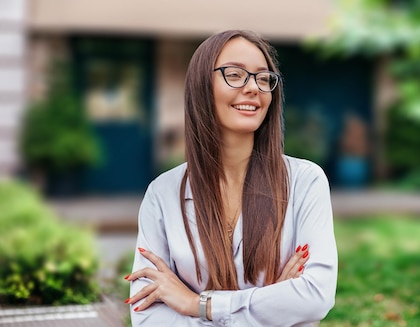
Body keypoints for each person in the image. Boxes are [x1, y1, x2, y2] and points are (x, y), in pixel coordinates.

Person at [123, 30, 338, 326]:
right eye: (234, 74)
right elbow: (147, 316)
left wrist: (195, 303)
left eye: (263, 78)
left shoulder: (305, 182)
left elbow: (315, 296)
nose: (253, 88)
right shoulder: (162, 194)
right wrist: (272, 302)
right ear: (202, 87)